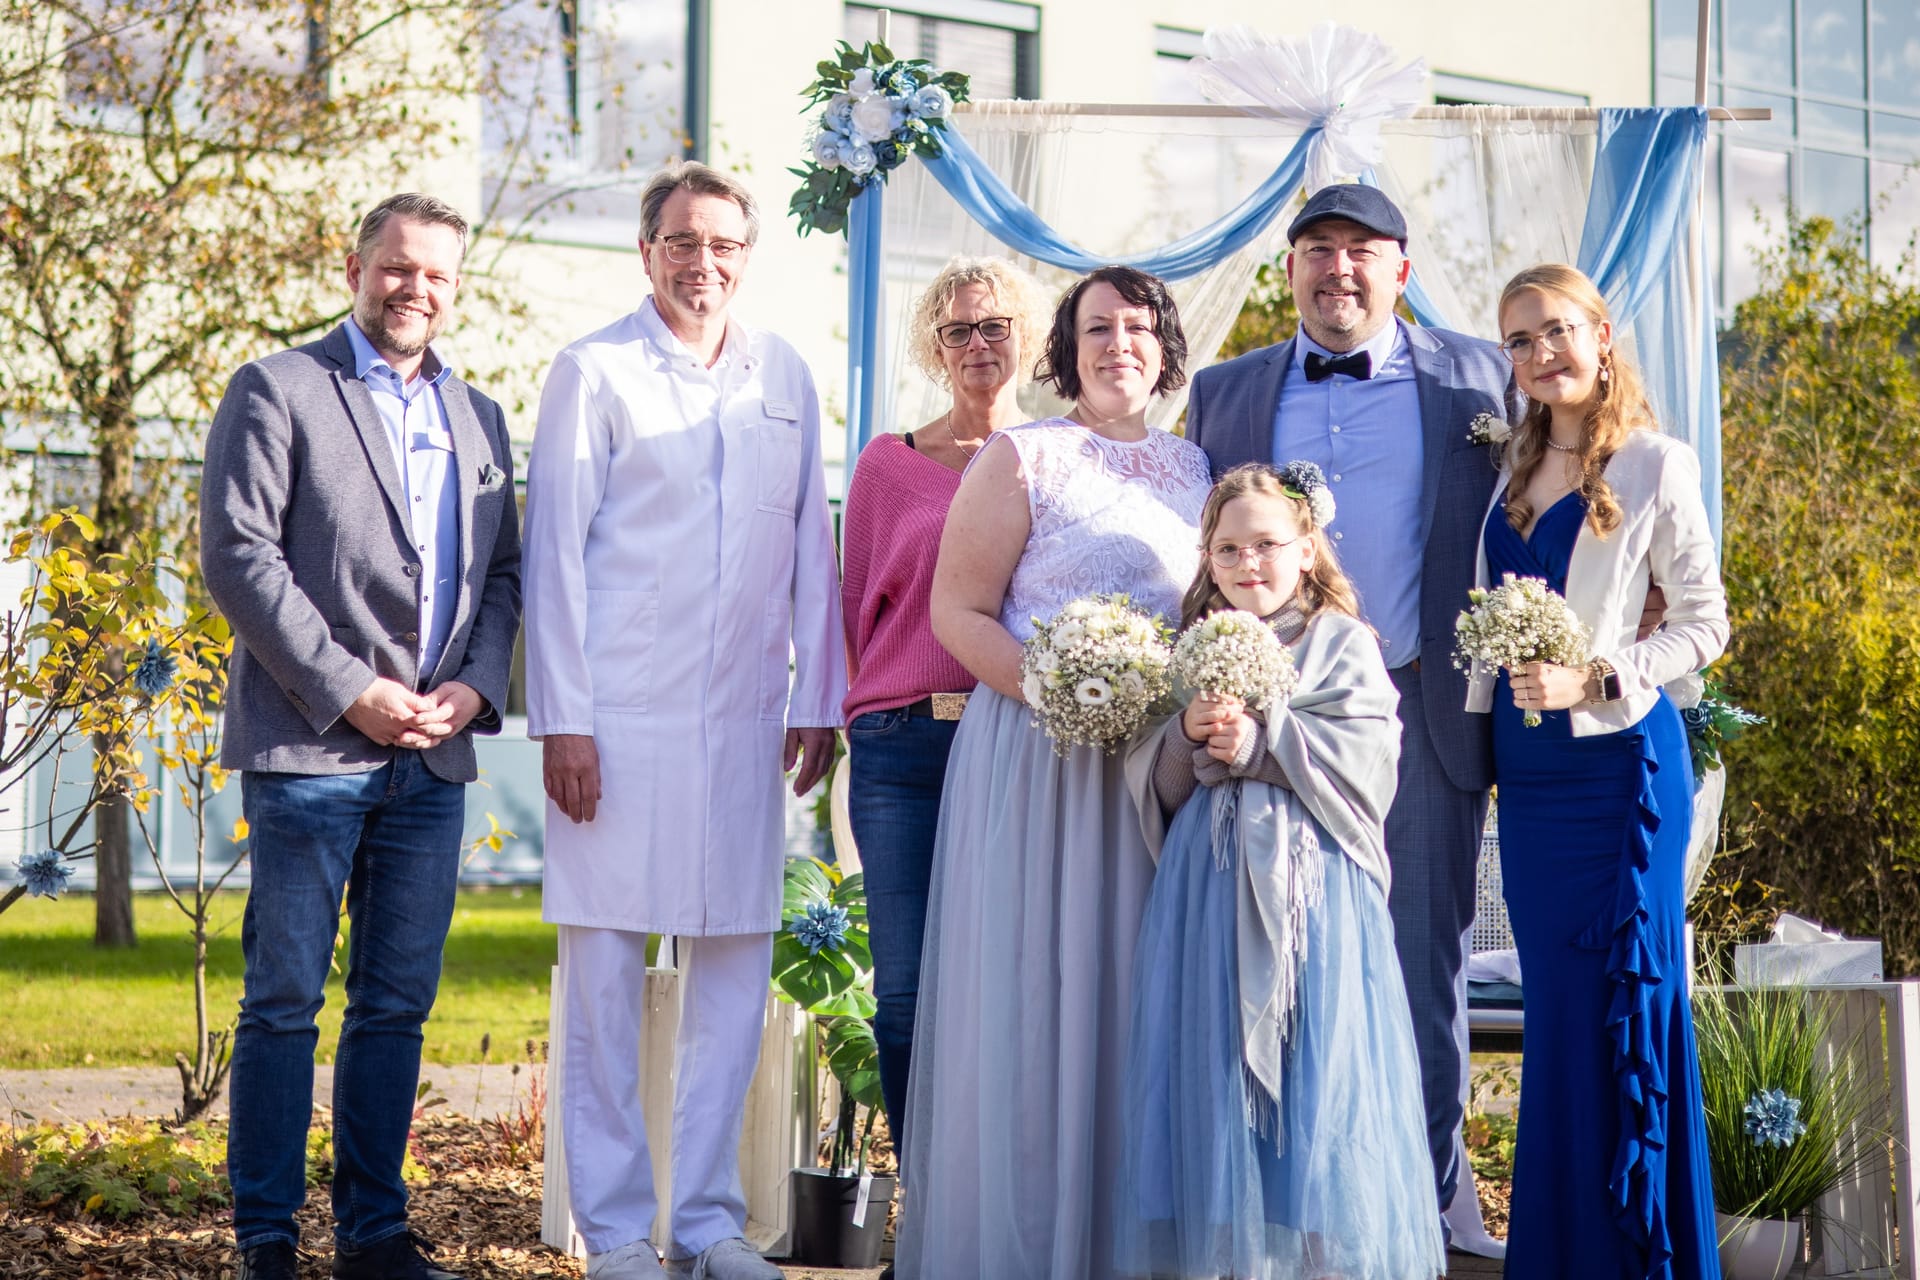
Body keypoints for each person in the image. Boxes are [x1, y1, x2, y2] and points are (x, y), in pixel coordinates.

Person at [522, 161, 844, 1280]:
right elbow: (554, 554)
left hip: (746, 721)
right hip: (616, 721)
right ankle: (614, 1228)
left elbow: (812, 545)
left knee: (733, 968)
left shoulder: (788, 374)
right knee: (606, 969)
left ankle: (705, 1221)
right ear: (647, 252)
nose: (702, 262)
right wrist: (561, 717)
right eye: (681, 241)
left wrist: (820, 693)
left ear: (746, 256)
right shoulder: (594, 370)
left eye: (723, 244)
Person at [200, 193, 523, 1280]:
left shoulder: (479, 416)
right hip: (311, 751)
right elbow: (239, 556)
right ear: (353, 267)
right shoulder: (278, 387)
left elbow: (504, 578)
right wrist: (351, 690)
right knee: (285, 1000)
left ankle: (377, 1235)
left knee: (394, 1006)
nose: (413, 289)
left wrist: (477, 690)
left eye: (435, 274)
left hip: (433, 755)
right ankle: (268, 1239)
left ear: (455, 288)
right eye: (396, 267)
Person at [1182, 182, 1516, 1228]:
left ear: (1401, 270)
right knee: (1268, 960)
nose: (1339, 269)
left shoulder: (1478, 377)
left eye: (1362, 251)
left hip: (1412, 709)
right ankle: (1283, 1204)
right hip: (1256, 716)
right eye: (1318, 250)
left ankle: (1426, 1196)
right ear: (1289, 271)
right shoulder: (1224, 387)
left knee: (1420, 963)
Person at [895, 265, 1213, 1280]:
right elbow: (958, 614)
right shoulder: (1022, 455)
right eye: (1096, 327)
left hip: (1152, 774)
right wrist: (1064, 692)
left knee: (1134, 994)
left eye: (1137, 325)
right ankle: (1025, 1243)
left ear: (1163, 344)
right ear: (1066, 348)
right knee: (1034, 999)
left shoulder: (1196, 467)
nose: (1119, 342)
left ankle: (1123, 1243)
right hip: (1036, 761)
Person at [1118, 461, 1444, 1279]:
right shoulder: (1189, 646)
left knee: (1315, 1086)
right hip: (1208, 890)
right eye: (1227, 550)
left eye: (1266, 545)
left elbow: (1368, 762)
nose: (1247, 565)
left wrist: (1263, 748)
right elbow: (1159, 787)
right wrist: (1187, 736)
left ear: (1307, 549)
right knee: (1214, 1077)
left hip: (1315, 896)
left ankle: (1318, 1262)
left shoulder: (1344, 643)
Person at [1468, 263, 1727, 1277]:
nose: (1543, 354)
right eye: (1521, 341)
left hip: (1620, 771)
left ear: (1603, 334)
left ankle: (1643, 1254)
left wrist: (1602, 674)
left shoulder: (1659, 462)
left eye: (1558, 331)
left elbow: (1706, 622)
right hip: (1528, 784)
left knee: (1626, 1006)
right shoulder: (1508, 468)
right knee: (1560, 1019)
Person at [838, 256, 1049, 1164]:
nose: (977, 344)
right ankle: (930, 1211)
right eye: (958, 329)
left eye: (995, 326)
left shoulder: (1057, 457)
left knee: (1014, 985)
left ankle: (1006, 1207)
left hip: (1016, 739)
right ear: (934, 345)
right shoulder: (889, 467)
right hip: (902, 750)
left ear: (1028, 341)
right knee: (909, 994)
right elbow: (855, 613)